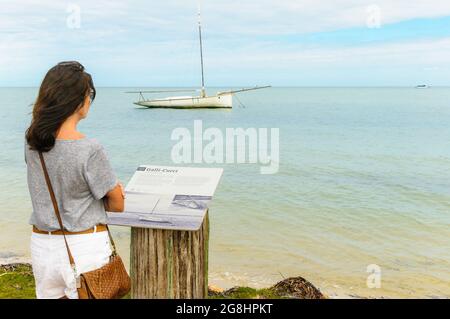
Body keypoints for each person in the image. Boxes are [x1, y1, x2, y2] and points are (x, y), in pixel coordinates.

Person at [24, 61, 125, 299]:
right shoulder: (89, 148)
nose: (90, 100)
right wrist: (114, 191)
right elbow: (117, 204)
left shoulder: (32, 144)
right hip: (84, 247)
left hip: (42, 245)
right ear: (78, 99)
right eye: (90, 94)